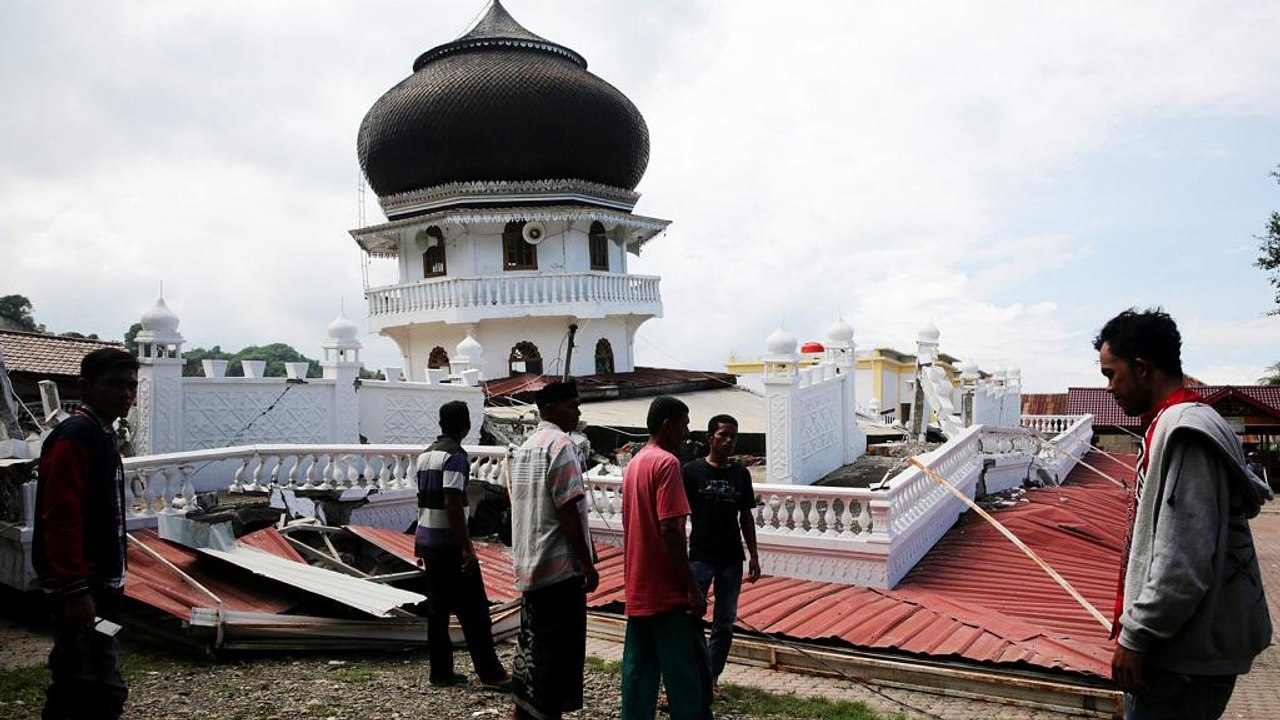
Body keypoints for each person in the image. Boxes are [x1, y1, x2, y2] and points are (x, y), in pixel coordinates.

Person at [1095, 308, 1272, 720]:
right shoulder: (1177, 421)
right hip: (1185, 652)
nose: (1108, 388)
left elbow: (1182, 561)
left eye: (1111, 373)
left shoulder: (1184, 431)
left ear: (1142, 368)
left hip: (1182, 661)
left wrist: (1136, 637)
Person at [33, 347, 139, 719]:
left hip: (101, 588)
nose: (126, 394)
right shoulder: (76, 435)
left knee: (94, 659)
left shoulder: (100, 433)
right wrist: (75, 590)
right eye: (114, 385)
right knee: (89, 678)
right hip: (82, 590)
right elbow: (61, 515)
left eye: (131, 385)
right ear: (86, 386)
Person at [509, 381, 598, 720]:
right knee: (555, 656)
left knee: (532, 646)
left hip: (531, 564)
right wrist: (587, 563)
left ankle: (523, 711)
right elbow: (567, 510)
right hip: (559, 567)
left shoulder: (527, 446)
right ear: (552, 409)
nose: (577, 412)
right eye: (572, 405)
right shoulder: (561, 445)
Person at [621, 395, 713, 720]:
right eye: (684, 424)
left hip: (638, 586)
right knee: (686, 678)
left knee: (638, 675)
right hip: (666, 591)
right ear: (667, 425)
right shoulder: (667, 463)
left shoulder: (635, 463)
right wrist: (690, 586)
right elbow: (671, 530)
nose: (687, 431)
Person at [413, 400, 508, 689]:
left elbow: (421, 501)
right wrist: (466, 548)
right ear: (465, 425)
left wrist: (418, 541)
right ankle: (490, 673)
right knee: (475, 612)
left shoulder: (425, 455)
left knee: (438, 612)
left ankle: (440, 672)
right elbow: (452, 501)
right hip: (449, 545)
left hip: (429, 541)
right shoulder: (455, 456)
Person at [683, 414, 760, 689]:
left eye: (733, 436)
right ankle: (690, 675)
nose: (728, 441)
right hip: (700, 557)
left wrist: (754, 555)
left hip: (731, 559)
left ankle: (711, 678)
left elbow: (746, 517)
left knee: (724, 622)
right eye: (723, 435)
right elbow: (678, 517)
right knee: (691, 617)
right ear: (709, 438)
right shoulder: (691, 472)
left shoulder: (740, 473)